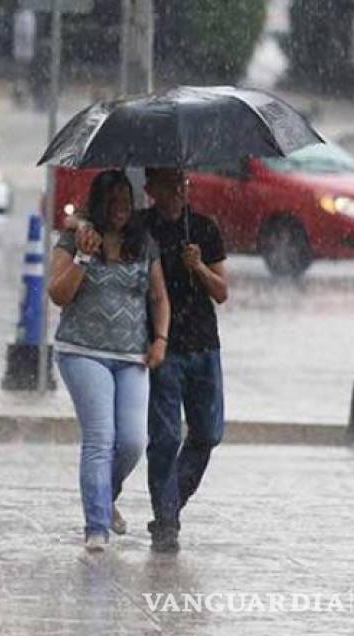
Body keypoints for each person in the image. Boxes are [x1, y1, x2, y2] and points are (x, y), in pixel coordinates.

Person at [48, 170, 170, 553]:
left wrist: (161, 340)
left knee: (133, 441)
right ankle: (96, 525)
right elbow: (58, 294)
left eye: (126, 200)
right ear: (100, 203)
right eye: (113, 200)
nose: (120, 208)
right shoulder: (75, 239)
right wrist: (84, 256)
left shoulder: (143, 242)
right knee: (100, 438)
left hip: (131, 354)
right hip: (83, 351)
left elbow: (159, 297)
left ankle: (106, 494)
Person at [139, 168, 229, 553]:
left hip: (204, 345)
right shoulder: (142, 229)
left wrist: (199, 267)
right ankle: (167, 521)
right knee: (165, 438)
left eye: (184, 184)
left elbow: (222, 291)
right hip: (165, 347)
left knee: (207, 433)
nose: (180, 192)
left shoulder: (204, 229)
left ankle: (169, 507)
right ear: (152, 190)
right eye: (171, 185)